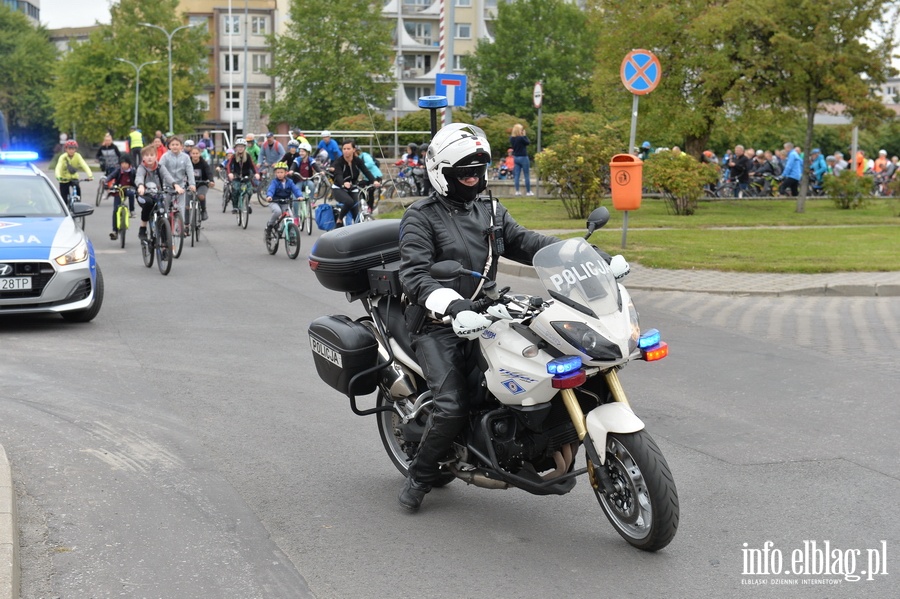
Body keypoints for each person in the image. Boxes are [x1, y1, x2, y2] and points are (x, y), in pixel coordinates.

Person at [395, 123, 626, 512]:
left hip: (490, 313)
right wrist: (452, 306)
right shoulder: (421, 217)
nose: (474, 179)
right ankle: (419, 477)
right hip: (439, 324)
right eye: (464, 173)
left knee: (547, 360)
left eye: (479, 171)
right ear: (442, 174)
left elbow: (527, 242)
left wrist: (583, 254)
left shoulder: (490, 209)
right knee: (452, 405)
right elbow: (414, 275)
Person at [330, 138, 379, 226]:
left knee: (356, 214)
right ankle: (339, 219)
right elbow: (338, 175)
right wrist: (343, 183)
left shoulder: (357, 161)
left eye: (348, 149)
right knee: (349, 202)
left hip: (352, 188)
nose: (346, 151)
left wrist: (374, 181)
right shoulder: (339, 161)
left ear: (354, 149)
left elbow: (366, 171)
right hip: (339, 188)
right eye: (344, 149)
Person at [135, 145, 176, 241]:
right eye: (147, 155)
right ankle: (143, 228)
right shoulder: (142, 168)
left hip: (158, 194)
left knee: (163, 211)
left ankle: (165, 243)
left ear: (156, 156)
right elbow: (139, 177)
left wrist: (175, 185)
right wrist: (141, 186)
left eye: (152, 155)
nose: (149, 157)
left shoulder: (160, 167)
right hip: (144, 195)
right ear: (143, 157)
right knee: (148, 204)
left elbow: (167, 176)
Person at [159, 136, 196, 231]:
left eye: (177, 145)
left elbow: (190, 171)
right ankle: (164, 227)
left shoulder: (186, 157)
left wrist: (192, 184)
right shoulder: (165, 157)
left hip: (180, 186)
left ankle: (179, 227)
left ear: (181, 146)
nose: (175, 147)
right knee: (165, 208)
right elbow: (160, 170)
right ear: (169, 146)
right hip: (167, 186)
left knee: (180, 207)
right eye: (173, 145)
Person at [264, 161, 302, 236]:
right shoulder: (274, 182)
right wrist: (269, 196)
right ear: (275, 173)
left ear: (286, 173)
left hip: (285, 202)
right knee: (278, 211)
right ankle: (270, 225)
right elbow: (271, 189)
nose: (279, 174)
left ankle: (292, 237)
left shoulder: (290, 182)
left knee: (290, 218)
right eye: (278, 172)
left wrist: (299, 196)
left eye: (281, 172)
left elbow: (295, 189)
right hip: (274, 201)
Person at [105, 156, 138, 240]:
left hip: (129, 188)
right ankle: (114, 231)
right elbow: (111, 176)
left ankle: (132, 210)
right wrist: (106, 181)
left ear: (129, 164)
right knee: (115, 210)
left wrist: (138, 187)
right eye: (122, 163)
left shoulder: (133, 171)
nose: (124, 165)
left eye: (126, 163)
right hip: (119, 189)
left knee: (131, 194)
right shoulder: (118, 170)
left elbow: (137, 179)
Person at [225, 138, 260, 213]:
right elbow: (228, 165)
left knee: (250, 191)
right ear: (236, 147)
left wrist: (256, 173)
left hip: (246, 176)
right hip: (237, 176)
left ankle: (247, 203)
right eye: (238, 146)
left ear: (245, 147)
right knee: (236, 190)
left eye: (242, 146)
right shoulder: (233, 156)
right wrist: (230, 173)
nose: (240, 148)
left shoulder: (247, 155)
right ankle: (235, 207)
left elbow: (253, 165)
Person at [188, 144, 215, 221]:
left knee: (201, 196)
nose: (195, 155)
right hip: (190, 184)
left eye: (197, 153)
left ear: (199, 154)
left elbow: (209, 172)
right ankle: (186, 222)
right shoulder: (188, 162)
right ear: (191, 154)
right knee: (187, 202)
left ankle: (203, 211)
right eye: (193, 153)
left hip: (202, 183)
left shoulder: (203, 163)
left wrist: (211, 180)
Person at [509, 123, 532, 196]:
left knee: (517, 175)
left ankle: (517, 191)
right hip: (523, 157)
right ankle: (528, 191)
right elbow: (528, 142)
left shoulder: (512, 138)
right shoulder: (521, 138)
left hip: (516, 157)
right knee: (526, 175)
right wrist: (524, 135)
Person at [357, 146, 383, 212]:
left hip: (376, 176)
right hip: (367, 178)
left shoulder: (365, 155)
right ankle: (364, 204)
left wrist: (361, 165)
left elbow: (371, 163)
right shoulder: (357, 158)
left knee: (370, 192)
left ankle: (370, 209)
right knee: (360, 187)